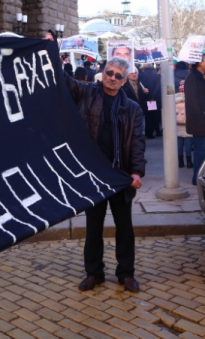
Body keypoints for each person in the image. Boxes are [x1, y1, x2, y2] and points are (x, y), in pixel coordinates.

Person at [64, 56, 146, 293]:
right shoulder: (87, 94)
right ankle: (94, 273)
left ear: (124, 80)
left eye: (118, 76)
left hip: (120, 176)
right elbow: (65, 82)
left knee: (124, 227)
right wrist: (49, 50)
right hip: (94, 176)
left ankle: (126, 274)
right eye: (109, 73)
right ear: (103, 72)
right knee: (93, 227)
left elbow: (138, 143)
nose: (112, 78)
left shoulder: (133, 109)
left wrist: (136, 172)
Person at [184, 54, 205, 185]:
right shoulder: (192, 78)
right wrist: (204, 115)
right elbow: (193, 103)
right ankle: (198, 178)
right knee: (201, 152)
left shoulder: (204, 76)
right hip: (201, 122)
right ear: (199, 63)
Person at [175, 80, 192, 169]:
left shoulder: (174, 99)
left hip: (177, 126)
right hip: (187, 125)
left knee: (179, 144)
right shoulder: (190, 98)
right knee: (188, 144)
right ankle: (189, 162)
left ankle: (180, 162)